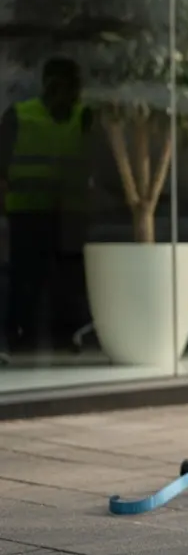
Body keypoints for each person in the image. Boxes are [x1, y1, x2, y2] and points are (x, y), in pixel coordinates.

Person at [0, 57, 93, 354]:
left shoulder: (85, 117)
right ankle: (20, 335)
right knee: (26, 278)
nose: (70, 94)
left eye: (74, 88)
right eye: (64, 86)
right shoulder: (18, 116)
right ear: (49, 86)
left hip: (69, 214)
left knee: (68, 279)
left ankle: (66, 336)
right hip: (27, 212)